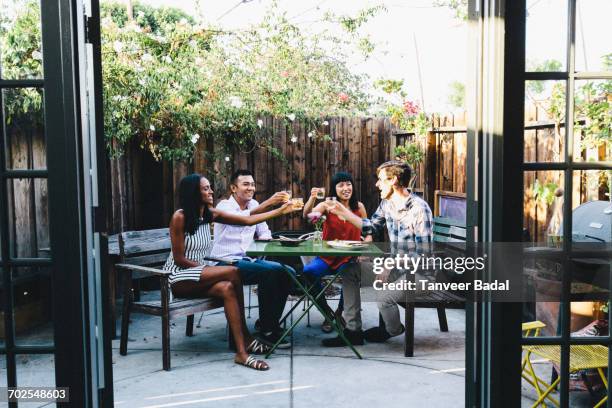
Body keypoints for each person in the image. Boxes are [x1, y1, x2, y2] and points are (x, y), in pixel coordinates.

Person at [163, 173, 300, 371]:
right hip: (178, 276)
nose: (211, 191)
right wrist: (206, 269)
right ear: (194, 192)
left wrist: (280, 211)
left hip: (199, 274)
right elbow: (179, 259)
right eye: (205, 188)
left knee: (227, 288)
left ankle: (241, 352)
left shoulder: (209, 214)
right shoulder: (180, 217)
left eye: (210, 187)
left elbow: (246, 220)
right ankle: (246, 340)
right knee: (233, 272)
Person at [326, 160, 433, 343]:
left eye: (380, 180)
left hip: (420, 275)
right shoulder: (387, 204)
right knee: (350, 269)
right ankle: (353, 332)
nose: (377, 184)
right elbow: (371, 228)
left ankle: (393, 329)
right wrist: (345, 213)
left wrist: (390, 263)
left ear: (394, 180)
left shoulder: (419, 209)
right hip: (396, 271)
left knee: (384, 298)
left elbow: (423, 256)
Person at [209, 169, 297, 349]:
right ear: (234, 188)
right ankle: (268, 330)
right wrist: (271, 204)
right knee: (271, 272)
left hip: (245, 261)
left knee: (288, 272)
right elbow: (245, 219)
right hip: (222, 263)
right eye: (246, 184)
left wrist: (267, 239)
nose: (251, 188)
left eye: (253, 184)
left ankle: (267, 323)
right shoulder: (224, 206)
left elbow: (263, 230)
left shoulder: (254, 204)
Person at [302, 172, 371, 346]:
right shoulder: (327, 205)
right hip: (327, 256)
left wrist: (364, 251)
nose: (346, 188)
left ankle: (340, 312)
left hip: (350, 257)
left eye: (348, 184)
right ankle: (328, 313)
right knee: (308, 272)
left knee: (350, 276)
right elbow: (308, 217)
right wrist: (312, 199)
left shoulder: (359, 207)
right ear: (334, 189)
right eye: (340, 185)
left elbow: (368, 233)